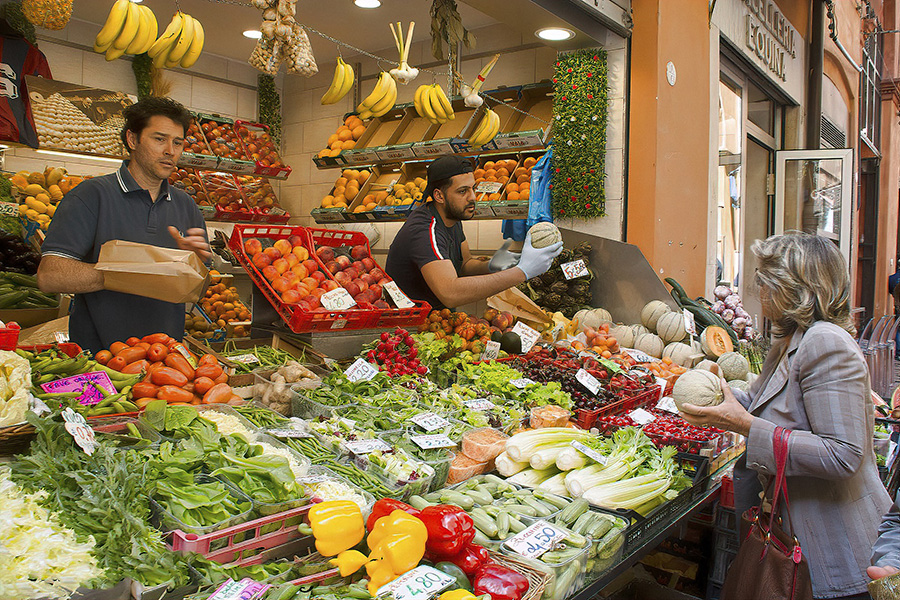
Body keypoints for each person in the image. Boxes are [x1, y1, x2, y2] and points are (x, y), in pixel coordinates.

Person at [678, 232, 891, 600]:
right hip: (794, 536)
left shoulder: (827, 343)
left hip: (832, 548)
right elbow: (763, 402)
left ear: (793, 287)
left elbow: (843, 454)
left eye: (764, 277)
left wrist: (743, 425)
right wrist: (721, 398)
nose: (757, 287)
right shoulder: (791, 341)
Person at [36, 96, 210, 354]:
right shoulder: (91, 196)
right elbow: (50, 276)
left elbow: (199, 290)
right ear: (132, 139)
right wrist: (128, 275)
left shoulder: (186, 205)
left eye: (178, 142)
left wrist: (196, 268)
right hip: (97, 359)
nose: (170, 151)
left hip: (164, 362)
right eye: (159, 139)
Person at [385, 155, 562, 310]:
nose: (473, 197)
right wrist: (522, 271)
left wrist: (494, 265)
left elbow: (465, 265)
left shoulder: (451, 217)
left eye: (472, 188)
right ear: (439, 196)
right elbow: (451, 293)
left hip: (438, 318)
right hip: (408, 327)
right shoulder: (425, 230)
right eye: (463, 191)